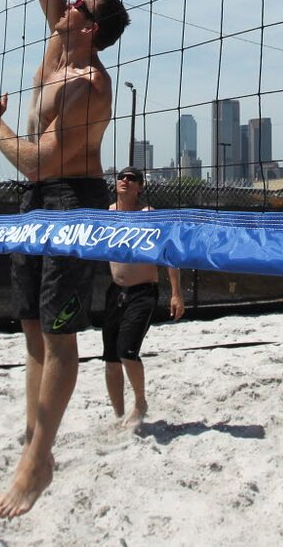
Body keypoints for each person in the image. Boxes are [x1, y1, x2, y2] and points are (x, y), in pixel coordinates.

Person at [0, 0, 129, 519]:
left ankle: (40, 460)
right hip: (39, 199)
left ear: (89, 27)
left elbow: (36, 163)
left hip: (67, 200)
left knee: (61, 336)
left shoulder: (86, 82)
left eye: (80, 3)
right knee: (33, 331)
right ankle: (36, 437)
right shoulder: (55, 44)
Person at [104, 167, 185, 429]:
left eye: (133, 178)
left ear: (140, 187)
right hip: (115, 291)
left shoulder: (149, 216)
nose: (125, 180)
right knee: (111, 359)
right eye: (122, 177)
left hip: (143, 291)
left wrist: (176, 293)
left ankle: (140, 402)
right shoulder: (108, 213)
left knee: (127, 351)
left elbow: (170, 253)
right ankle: (118, 416)